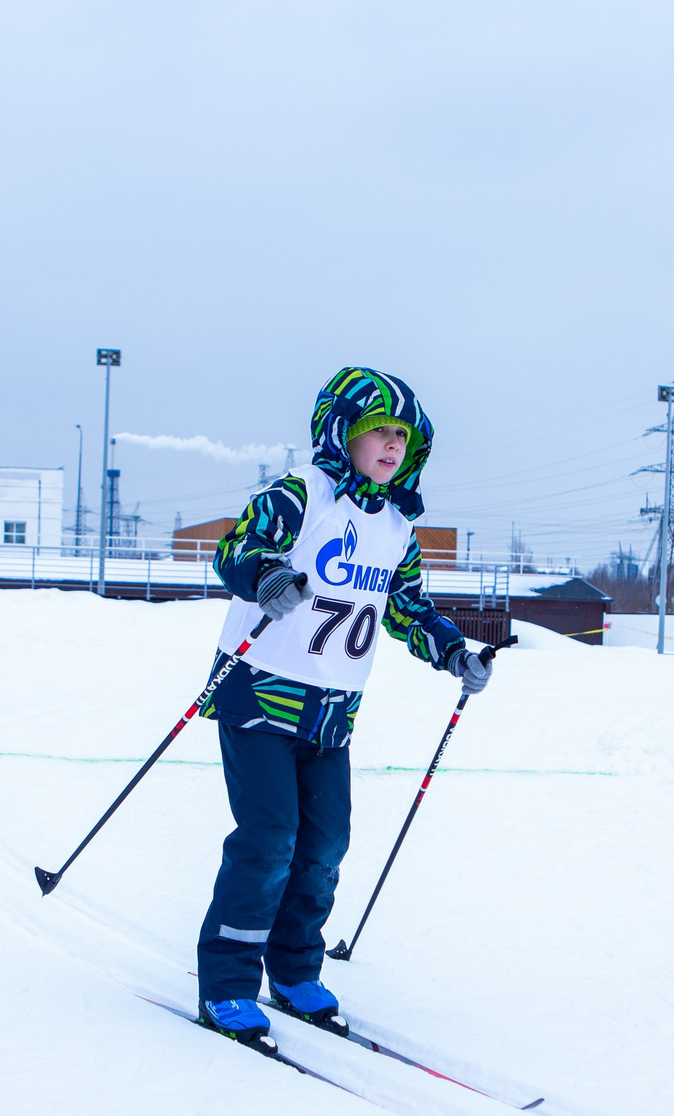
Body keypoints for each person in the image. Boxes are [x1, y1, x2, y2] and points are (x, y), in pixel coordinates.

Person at [191, 367, 490, 1045]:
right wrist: (268, 576)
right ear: (341, 432)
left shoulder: (397, 527)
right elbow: (237, 547)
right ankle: (229, 983)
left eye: (400, 435)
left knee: (325, 844)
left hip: (331, 710)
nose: (390, 444)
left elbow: (408, 607)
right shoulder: (302, 493)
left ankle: (294, 968)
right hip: (261, 690)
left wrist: (452, 652)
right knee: (269, 840)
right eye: (376, 430)